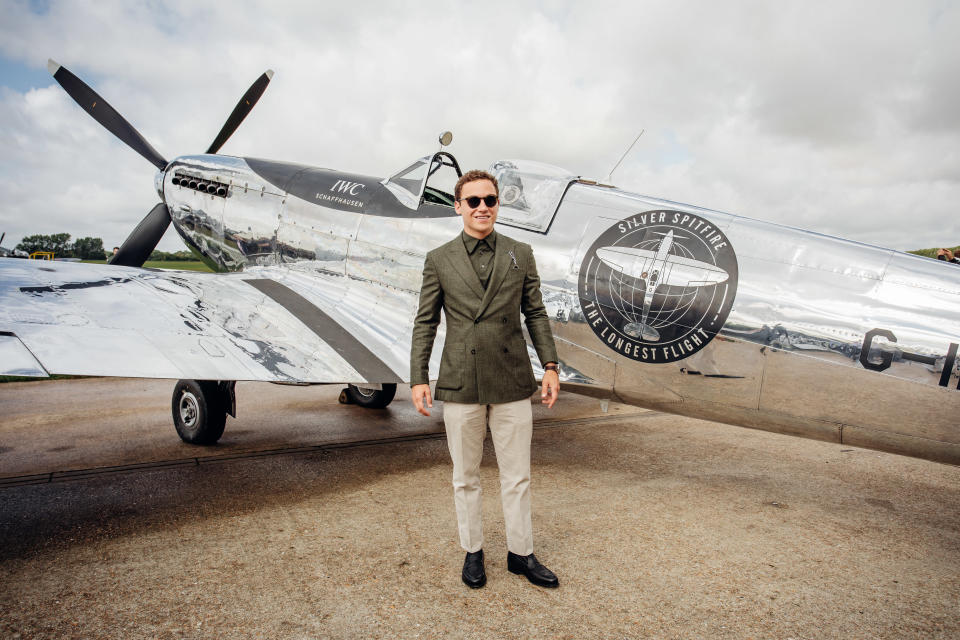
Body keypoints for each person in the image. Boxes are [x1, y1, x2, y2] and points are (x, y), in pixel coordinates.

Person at [410, 169, 561, 589]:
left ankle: (521, 554)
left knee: (517, 474)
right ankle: (473, 552)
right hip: (461, 380)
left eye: (489, 200)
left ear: (498, 205)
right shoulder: (439, 259)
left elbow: (535, 314)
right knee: (466, 475)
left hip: (511, 378)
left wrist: (550, 365)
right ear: (458, 206)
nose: (482, 208)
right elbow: (425, 321)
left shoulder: (520, 252)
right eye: (473, 201)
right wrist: (418, 376)